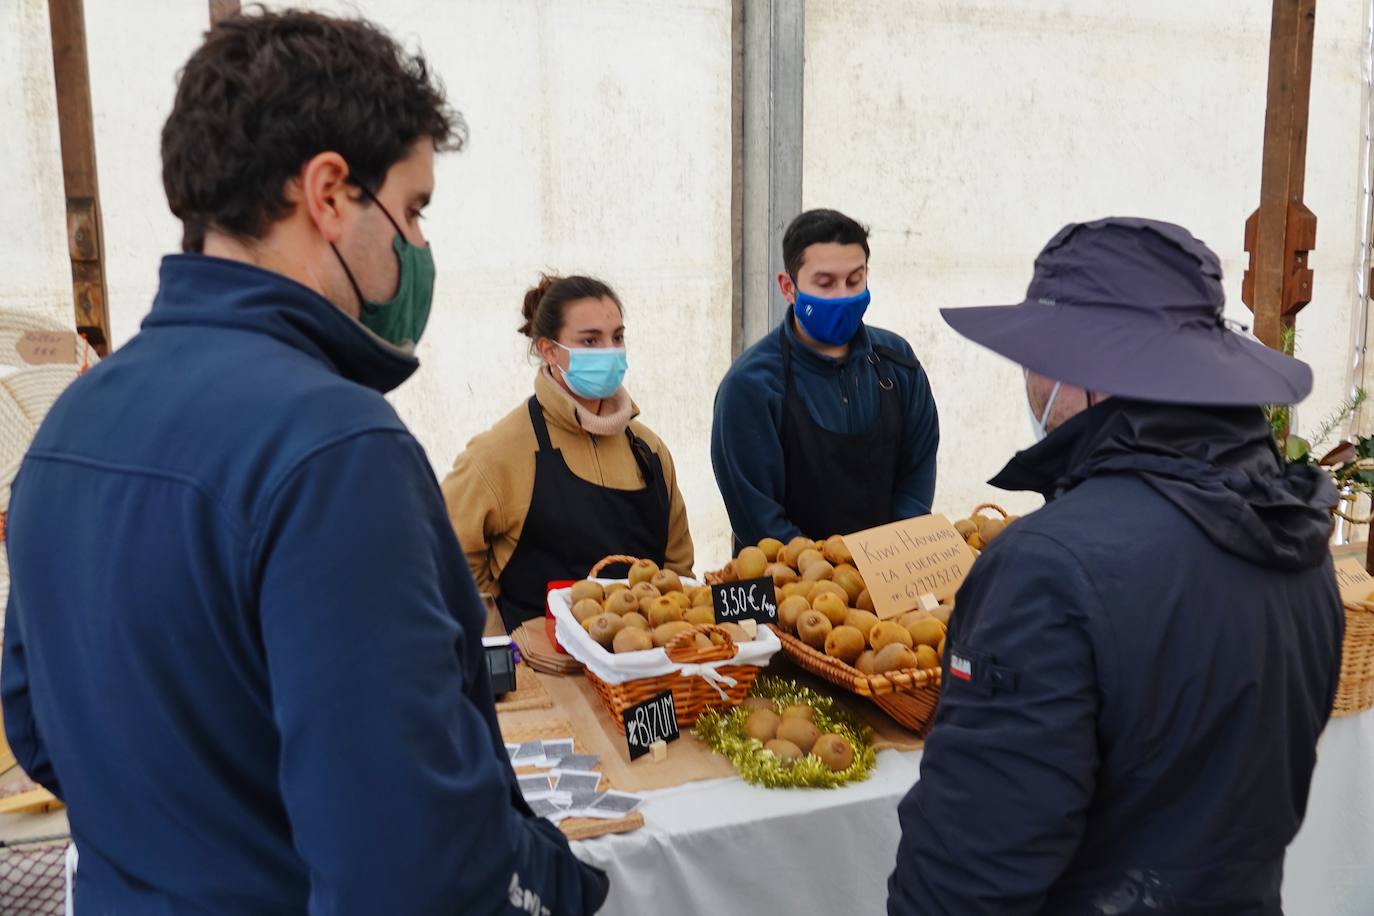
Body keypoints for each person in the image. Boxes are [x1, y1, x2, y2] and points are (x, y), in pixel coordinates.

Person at [1, 11, 607, 914]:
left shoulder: (69, 424)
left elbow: (40, 725)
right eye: (412, 209)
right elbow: (412, 865)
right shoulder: (335, 447)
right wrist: (557, 880)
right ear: (329, 194)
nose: (420, 248)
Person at [888, 217, 1343, 915]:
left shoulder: (1046, 567)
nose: (1028, 379)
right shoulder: (1297, 538)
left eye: (1037, 354)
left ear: (1087, 371)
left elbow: (969, 872)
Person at [443, 273, 695, 631]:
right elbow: (446, 556)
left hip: (637, 670)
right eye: (590, 341)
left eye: (617, 337)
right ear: (549, 350)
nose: (609, 351)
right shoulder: (497, 454)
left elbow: (679, 565)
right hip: (545, 672)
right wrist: (502, 636)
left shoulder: (649, 451)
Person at [711, 208, 939, 548]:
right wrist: (828, 572)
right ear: (788, 288)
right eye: (825, 283)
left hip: (887, 576)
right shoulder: (752, 385)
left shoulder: (898, 363)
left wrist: (889, 557)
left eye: (854, 279)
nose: (843, 295)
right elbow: (758, 517)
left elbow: (916, 477)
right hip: (788, 582)